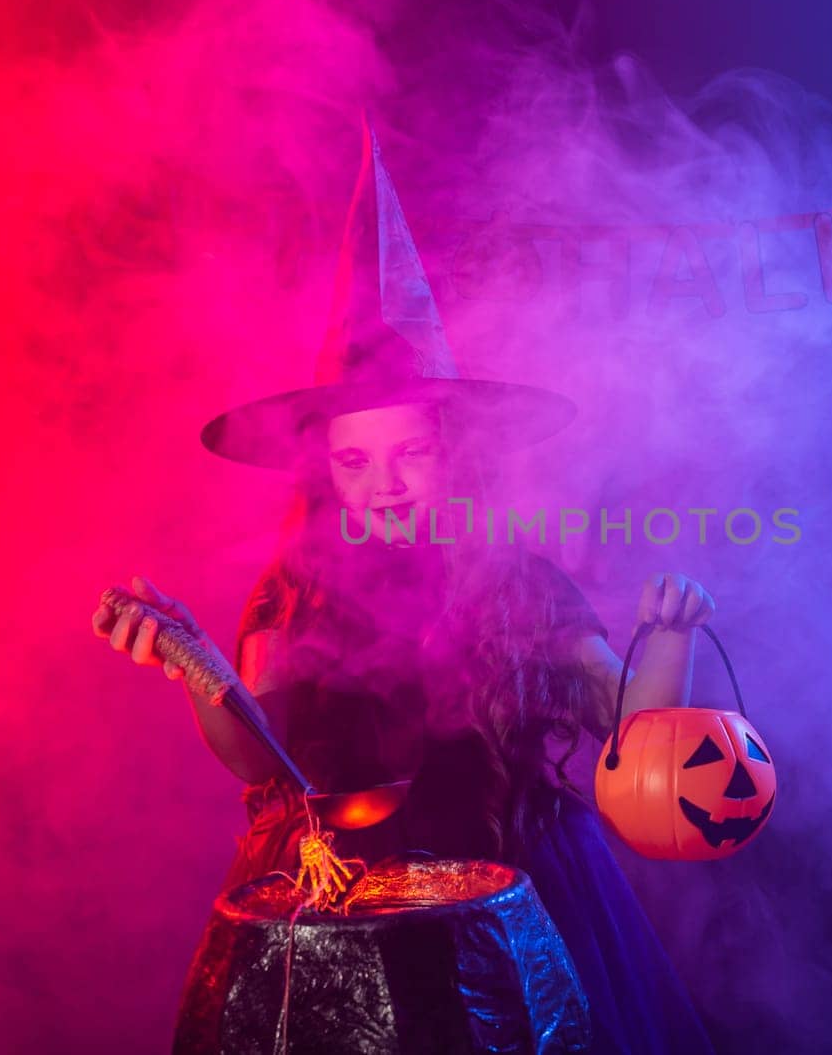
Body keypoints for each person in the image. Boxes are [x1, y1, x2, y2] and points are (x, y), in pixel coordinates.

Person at [90, 119, 719, 1054]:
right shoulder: (291, 593)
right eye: (354, 460)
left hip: (519, 903)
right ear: (326, 475)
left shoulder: (522, 586)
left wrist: (667, 638)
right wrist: (194, 663)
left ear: (451, 458)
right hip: (337, 911)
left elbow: (637, 741)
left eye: (410, 453)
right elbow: (257, 756)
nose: (382, 484)